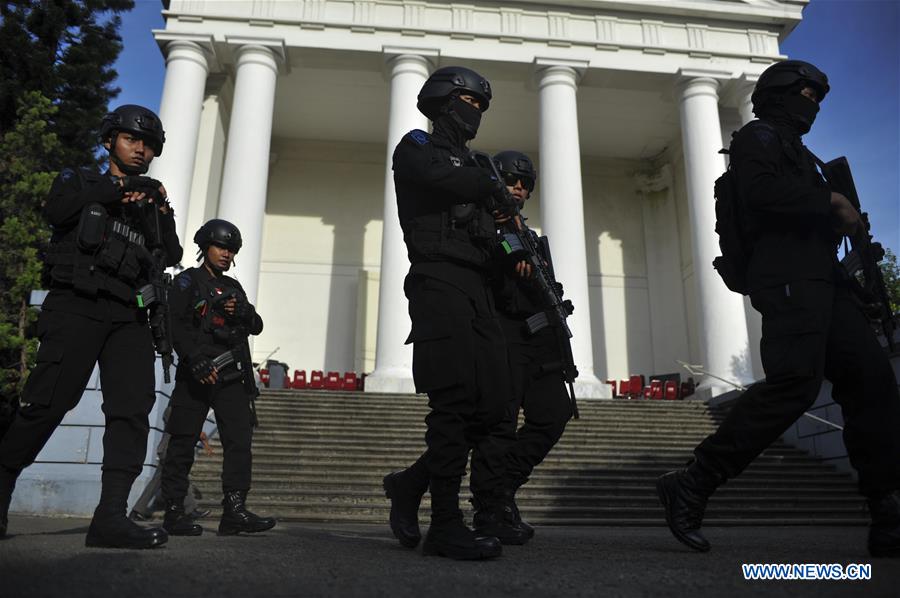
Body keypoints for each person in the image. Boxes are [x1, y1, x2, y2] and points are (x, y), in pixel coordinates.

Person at [656, 60, 900, 558]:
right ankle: (694, 480)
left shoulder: (802, 152)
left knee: (872, 383)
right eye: (805, 94)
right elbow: (761, 194)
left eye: (818, 97)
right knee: (794, 385)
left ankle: (888, 509)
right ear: (778, 94)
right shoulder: (758, 137)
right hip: (788, 280)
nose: (811, 104)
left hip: (827, 282)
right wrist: (829, 200)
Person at [0, 104, 181, 548]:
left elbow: (171, 253)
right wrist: (114, 190)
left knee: (131, 413)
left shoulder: (153, 201)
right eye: (131, 139)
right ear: (109, 142)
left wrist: (154, 207)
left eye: (149, 145)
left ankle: (110, 518)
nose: (141, 149)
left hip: (130, 315)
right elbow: (57, 211)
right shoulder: (80, 181)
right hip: (77, 304)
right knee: (47, 403)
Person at [382, 66, 515, 560]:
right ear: (442, 100)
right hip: (437, 279)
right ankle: (444, 524)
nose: (474, 112)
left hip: (479, 286)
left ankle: (409, 483)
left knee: (496, 403)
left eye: (481, 106)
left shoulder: (479, 165)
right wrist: (486, 186)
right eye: (467, 101)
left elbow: (496, 222)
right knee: (454, 400)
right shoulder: (417, 146)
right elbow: (438, 177)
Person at [468, 151, 574, 545]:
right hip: (503, 338)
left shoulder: (527, 235)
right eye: (512, 180)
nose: (519, 188)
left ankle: (504, 489)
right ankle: (488, 508)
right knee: (499, 425)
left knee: (554, 414)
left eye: (525, 184)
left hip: (541, 343)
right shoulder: (479, 223)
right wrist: (501, 260)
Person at [159, 219, 275, 537]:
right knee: (181, 441)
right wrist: (193, 358)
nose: (226, 254)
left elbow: (257, 325)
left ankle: (235, 511)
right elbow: (175, 324)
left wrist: (243, 313)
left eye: (231, 249)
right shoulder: (187, 282)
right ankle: (173, 513)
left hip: (231, 376)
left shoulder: (234, 287)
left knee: (239, 442)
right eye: (221, 247)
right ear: (205, 247)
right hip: (197, 373)